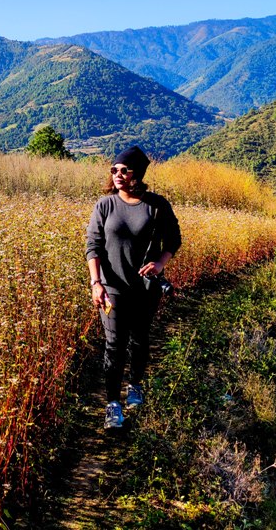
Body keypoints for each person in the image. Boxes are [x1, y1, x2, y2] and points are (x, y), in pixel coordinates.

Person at [85, 146, 181, 430]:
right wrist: (96, 282)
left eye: (123, 170)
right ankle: (113, 404)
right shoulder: (104, 205)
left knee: (140, 339)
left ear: (137, 174)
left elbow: (173, 239)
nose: (117, 174)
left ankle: (135, 385)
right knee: (114, 345)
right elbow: (93, 246)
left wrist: (161, 264)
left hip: (145, 289)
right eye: (113, 170)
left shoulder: (156, 206)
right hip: (112, 288)